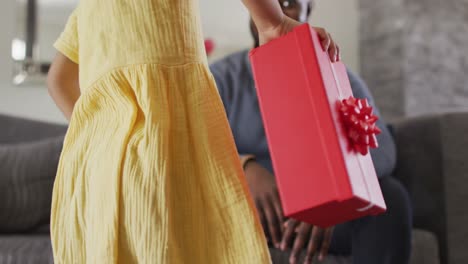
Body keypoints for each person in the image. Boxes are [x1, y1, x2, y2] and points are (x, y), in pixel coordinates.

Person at [46, 0, 339, 263]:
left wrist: (102, 135)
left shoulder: (89, 9)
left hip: (93, 173)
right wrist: (271, 21)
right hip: (158, 156)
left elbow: (58, 80)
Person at [210, 0, 413, 263]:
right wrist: (244, 166)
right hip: (253, 212)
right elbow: (194, 147)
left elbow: (383, 148)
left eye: (289, 4)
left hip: (324, 219)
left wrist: (331, 200)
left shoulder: (337, 73)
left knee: (392, 195)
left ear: (308, 12)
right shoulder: (221, 78)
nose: (278, 11)